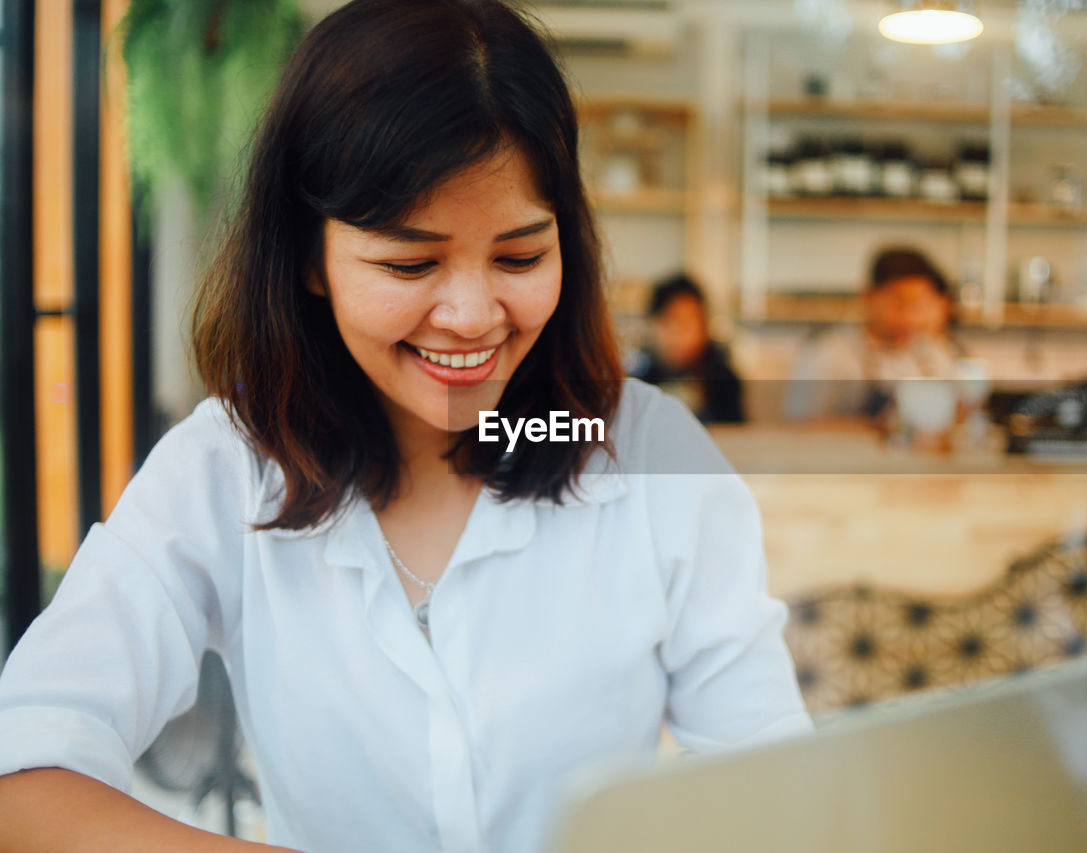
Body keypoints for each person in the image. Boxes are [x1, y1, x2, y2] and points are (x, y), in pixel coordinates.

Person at [0, 3, 811, 852]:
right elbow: (27, 778)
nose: (470, 315)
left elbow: (775, 796)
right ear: (310, 258)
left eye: (521, 256)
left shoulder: (651, 454)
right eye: (409, 263)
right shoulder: (225, 466)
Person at [784, 247, 963, 426]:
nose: (910, 317)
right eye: (900, 303)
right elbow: (799, 425)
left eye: (919, 305)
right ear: (869, 297)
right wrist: (872, 426)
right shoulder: (828, 352)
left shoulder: (935, 352)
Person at [629, 273, 745, 424]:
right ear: (651, 324)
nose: (678, 334)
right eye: (669, 321)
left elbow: (737, 435)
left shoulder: (724, 381)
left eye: (687, 323)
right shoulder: (638, 381)